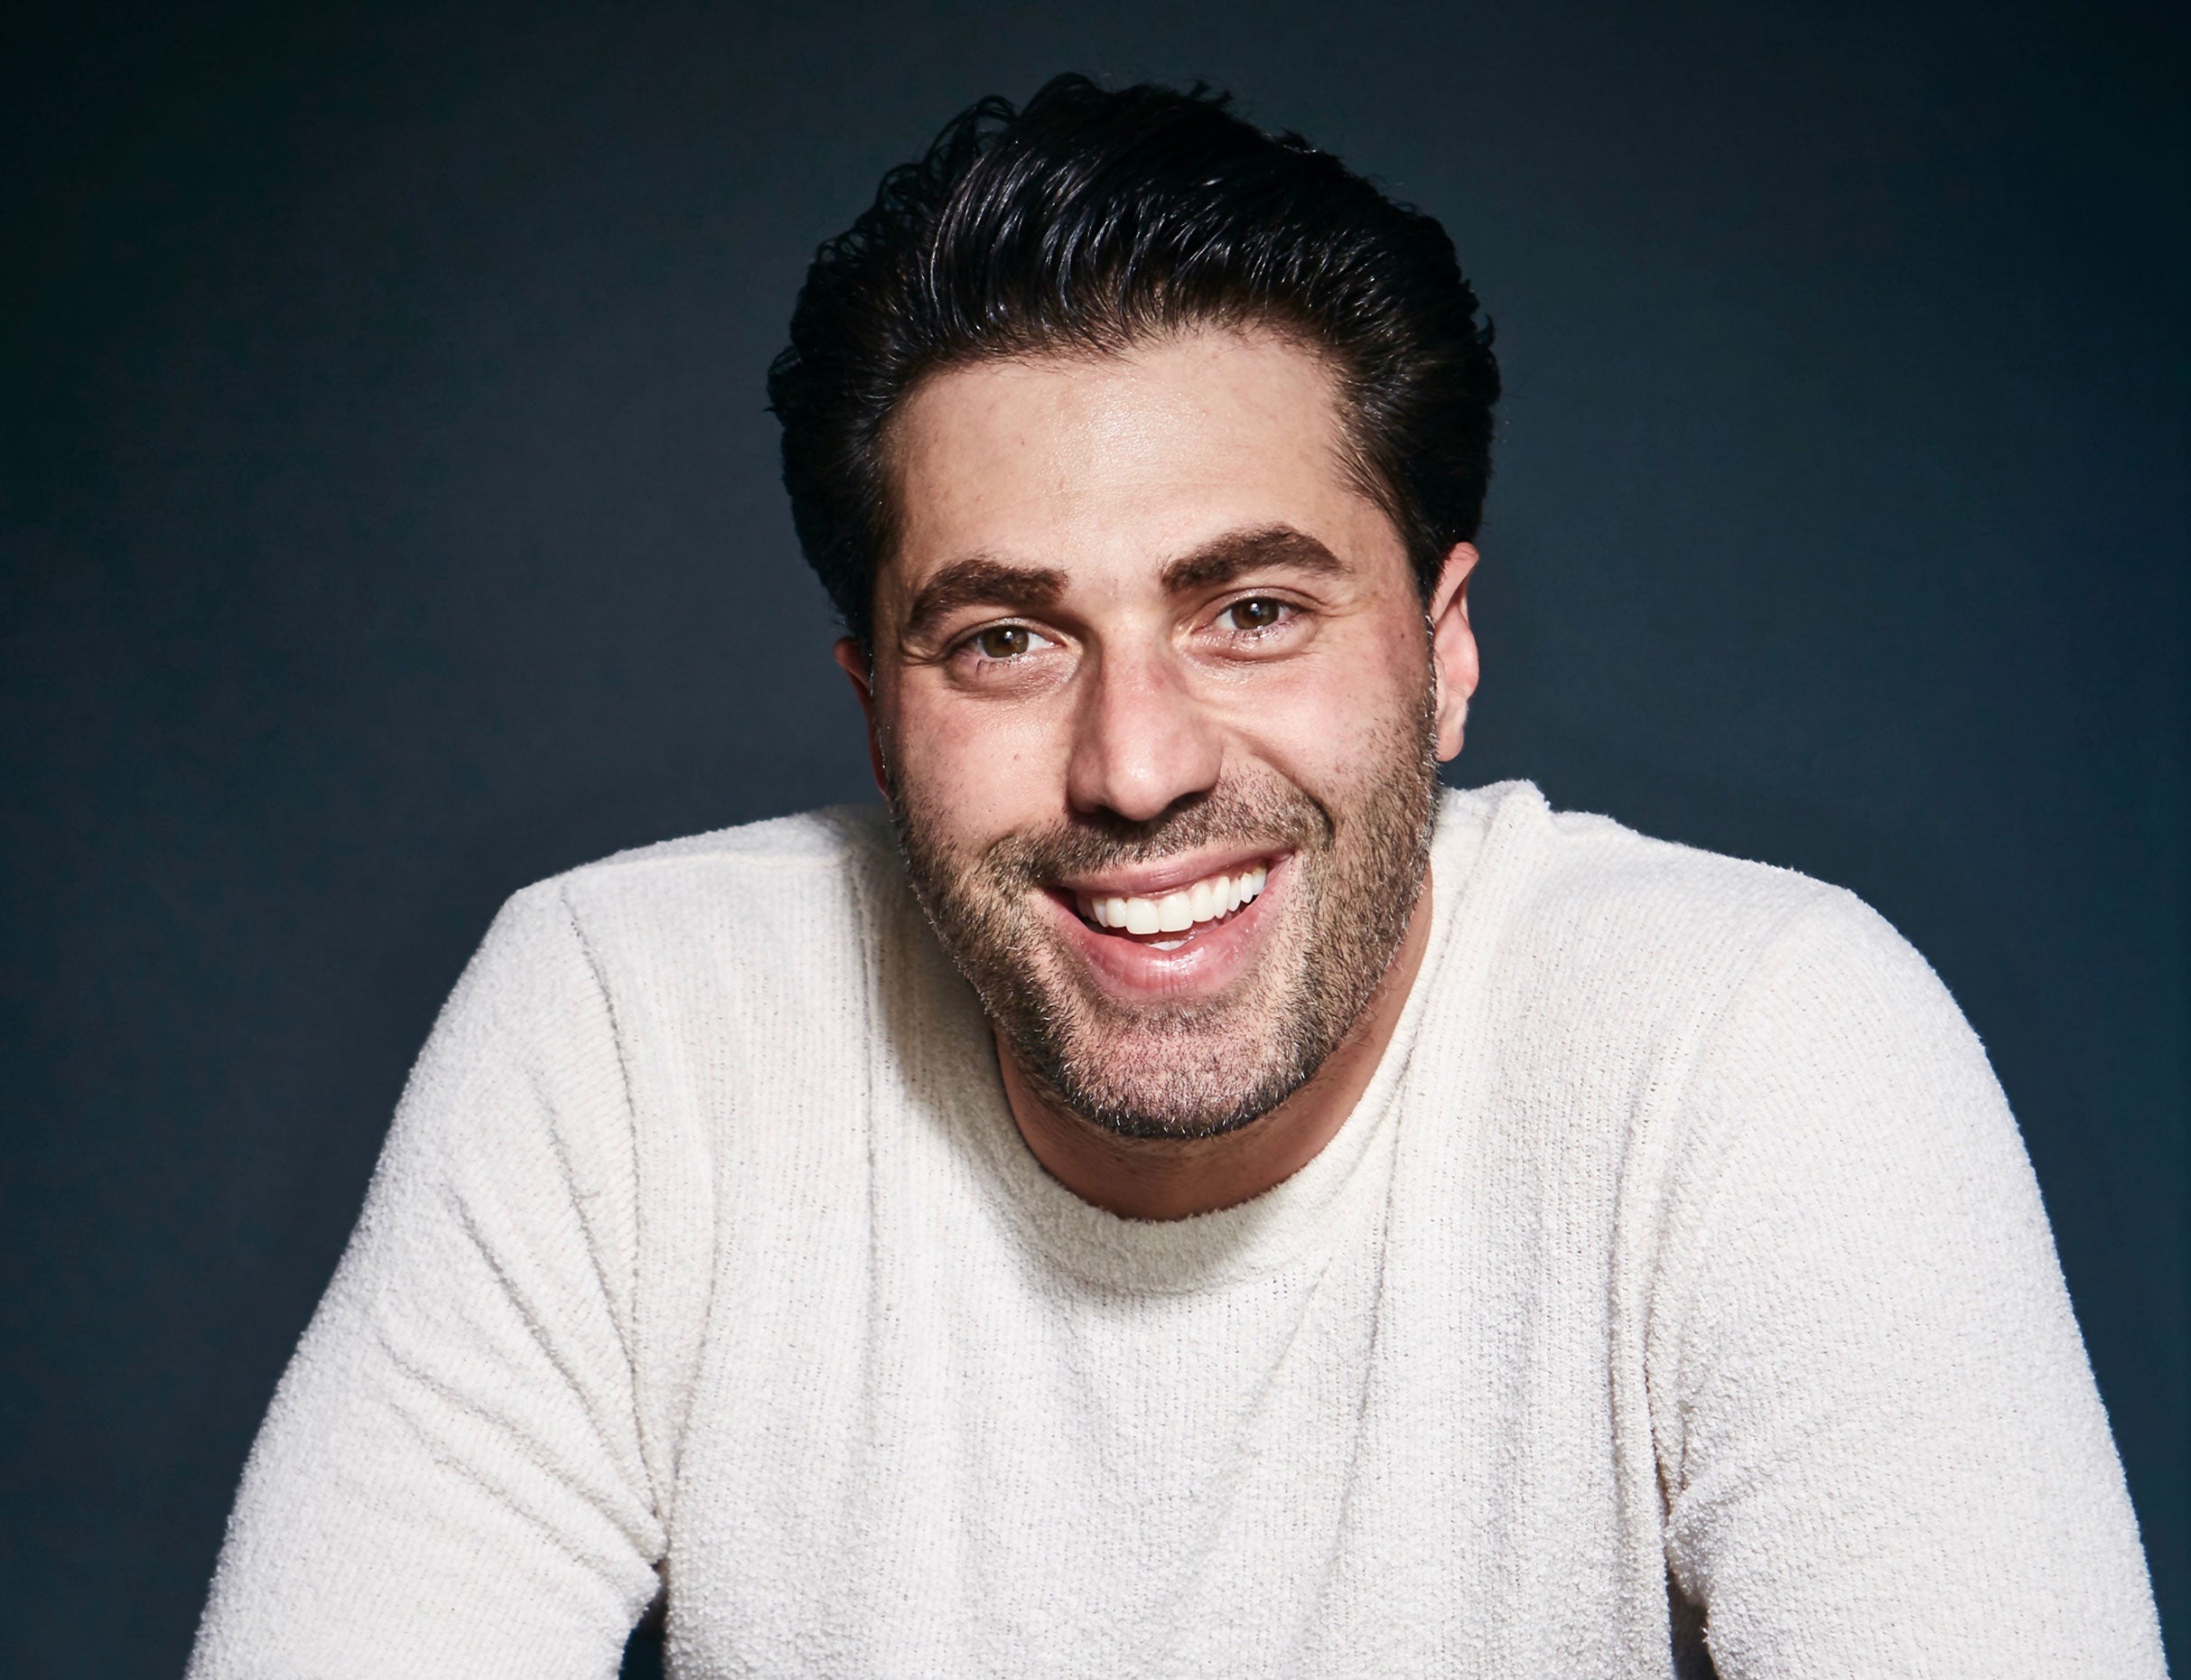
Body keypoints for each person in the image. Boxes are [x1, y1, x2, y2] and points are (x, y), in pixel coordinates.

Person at [187, 76, 2166, 1678]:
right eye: (1004, 640)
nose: (1135, 767)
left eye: (1252, 610)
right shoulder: (627, 1038)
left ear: (1443, 650)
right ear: (875, 711)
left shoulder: (1754, 1050)